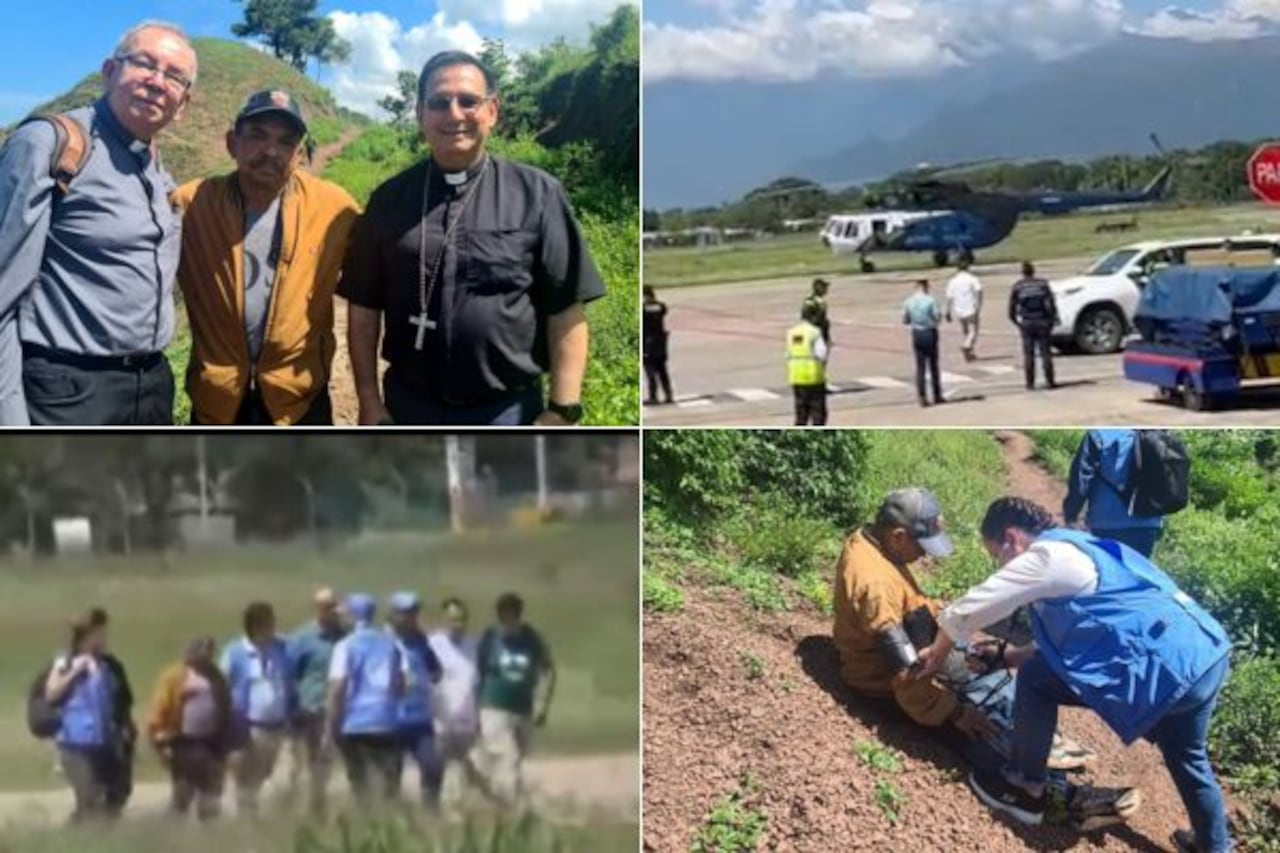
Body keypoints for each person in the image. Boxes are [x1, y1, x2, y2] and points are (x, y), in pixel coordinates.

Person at [916, 497, 1233, 852]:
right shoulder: (1079, 545)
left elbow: (972, 606)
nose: (999, 566)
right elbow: (1086, 633)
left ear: (1011, 538)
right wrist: (1010, 658)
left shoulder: (1045, 556)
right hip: (1205, 653)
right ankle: (1215, 846)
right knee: (1188, 757)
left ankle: (1024, 789)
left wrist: (939, 651)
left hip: (1167, 670)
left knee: (1036, 681)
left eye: (996, 556)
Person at [832, 490, 1128, 830]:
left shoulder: (876, 544)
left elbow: (910, 609)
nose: (924, 558)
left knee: (979, 672)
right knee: (976, 735)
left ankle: (1031, 739)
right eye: (921, 548)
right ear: (899, 536)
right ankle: (1067, 799)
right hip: (882, 682)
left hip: (918, 647)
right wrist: (953, 712)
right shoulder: (874, 586)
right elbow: (907, 676)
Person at [339, 51, 606, 426]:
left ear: (492, 111)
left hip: (507, 412)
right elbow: (364, 308)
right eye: (439, 103)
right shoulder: (388, 200)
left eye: (468, 101)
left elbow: (565, 308)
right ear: (420, 114)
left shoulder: (538, 194)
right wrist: (368, 400)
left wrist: (562, 410)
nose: (454, 114)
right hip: (409, 407)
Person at [0, 21, 197, 425]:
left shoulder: (157, 169)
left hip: (151, 386)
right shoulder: (51, 145)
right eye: (144, 64)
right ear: (109, 71)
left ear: (183, 106)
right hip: (69, 394)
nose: (158, 82)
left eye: (174, 76)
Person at [170, 91, 359, 425]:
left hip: (298, 399)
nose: (271, 151)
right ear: (232, 143)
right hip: (218, 398)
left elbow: (375, 273)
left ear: (299, 154)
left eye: (286, 142)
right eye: (257, 136)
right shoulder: (190, 204)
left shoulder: (335, 208)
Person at [43, 610, 135, 823]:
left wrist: (126, 734)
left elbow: (123, 701)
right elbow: (51, 694)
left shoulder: (111, 665)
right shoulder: (65, 662)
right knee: (89, 798)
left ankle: (96, 839)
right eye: (100, 633)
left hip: (107, 743)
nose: (104, 638)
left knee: (115, 798)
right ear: (87, 635)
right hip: (76, 744)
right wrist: (76, 671)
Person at [475, 593, 556, 810]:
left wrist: (542, 704)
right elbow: (478, 671)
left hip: (522, 708)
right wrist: (475, 704)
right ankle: (510, 807)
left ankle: (490, 794)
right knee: (507, 756)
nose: (509, 622)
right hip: (493, 707)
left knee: (515, 759)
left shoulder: (531, 639)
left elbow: (547, 671)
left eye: (513, 616)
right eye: (504, 617)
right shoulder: (490, 638)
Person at [326, 593, 405, 808]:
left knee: (361, 786)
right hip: (387, 722)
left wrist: (333, 723)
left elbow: (338, 687)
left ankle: (366, 823)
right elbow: (402, 683)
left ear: (353, 616)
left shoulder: (345, 646)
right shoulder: (391, 644)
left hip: (355, 722)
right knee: (390, 785)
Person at [220, 601, 296, 816]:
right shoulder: (235, 652)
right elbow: (223, 685)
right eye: (268, 623)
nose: (273, 627)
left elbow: (290, 680)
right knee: (246, 780)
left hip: (278, 726)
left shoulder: (282, 649)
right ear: (255, 626)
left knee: (269, 776)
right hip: (248, 727)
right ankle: (246, 819)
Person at [146, 636, 233, 822]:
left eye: (209, 651)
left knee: (212, 793)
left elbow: (226, 706)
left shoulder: (216, 676)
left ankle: (209, 836)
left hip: (212, 742)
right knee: (183, 793)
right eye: (201, 650)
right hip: (183, 743)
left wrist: (227, 742)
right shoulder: (174, 676)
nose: (206, 654)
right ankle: (173, 838)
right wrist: (159, 743)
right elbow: (159, 710)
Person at [285, 587, 348, 816]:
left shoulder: (345, 636)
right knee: (308, 764)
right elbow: (290, 675)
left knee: (327, 764)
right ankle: (304, 807)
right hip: (311, 708)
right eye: (330, 608)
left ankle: (319, 806)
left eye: (335, 608)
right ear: (319, 610)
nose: (335, 613)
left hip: (338, 709)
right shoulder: (302, 638)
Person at [1063, 430, 1165, 557]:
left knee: (1107, 572)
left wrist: (1071, 517)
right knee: (1134, 573)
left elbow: (1081, 481)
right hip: (1148, 524)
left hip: (1106, 523)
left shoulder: (1100, 433)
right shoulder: (1159, 433)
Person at [386, 591, 444, 808]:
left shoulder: (421, 641)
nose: (410, 618)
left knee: (433, 766)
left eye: (413, 613)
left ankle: (430, 812)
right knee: (391, 773)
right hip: (392, 718)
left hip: (420, 718)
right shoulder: (383, 640)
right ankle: (388, 816)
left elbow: (436, 672)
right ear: (393, 615)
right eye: (404, 613)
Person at [428, 598, 484, 809]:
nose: (457, 624)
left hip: (468, 720)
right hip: (440, 721)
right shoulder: (432, 645)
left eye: (461, 619)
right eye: (452, 619)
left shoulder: (474, 646)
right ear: (443, 620)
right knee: (443, 769)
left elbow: (478, 683)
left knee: (465, 769)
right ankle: (443, 810)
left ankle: (461, 808)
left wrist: (479, 716)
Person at [1009, 261, 1058, 391]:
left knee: (1028, 354)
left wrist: (1018, 323)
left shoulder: (1018, 287)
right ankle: (1050, 381)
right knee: (1046, 353)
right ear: (1033, 271)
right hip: (1042, 319)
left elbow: (1011, 309)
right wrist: (1052, 319)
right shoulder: (1042, 284)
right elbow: (1051, 304)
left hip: (1027, 321)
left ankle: (1030, 383)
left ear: (1023, 272)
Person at [785, 301, 829, 426]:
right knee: (818, 413)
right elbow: (822, 354)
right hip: (813, 376)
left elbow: (788, 354)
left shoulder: (791, 332)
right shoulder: (814, 332)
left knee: (801, 413)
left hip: (796, 376)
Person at [903, 279, 944, 406]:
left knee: (920, 366)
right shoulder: (930, 300)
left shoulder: (908, 301)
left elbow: (905, 320)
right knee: (933, 365)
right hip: (929, 332)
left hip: (917, 333)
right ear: (925, 287)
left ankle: (921, 396)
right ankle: (936, 394)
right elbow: (937, 316)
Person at [945, 259, 984, 361]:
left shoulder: (953, 281)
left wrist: (948, 311)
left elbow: (949, 296)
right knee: (974, 331)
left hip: (959, 309)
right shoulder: (972, 278)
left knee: (966, 331)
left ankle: (970, 352)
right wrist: (979, 304)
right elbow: (979, 290)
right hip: (971, 307)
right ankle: (966, 345)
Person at [642, 286, 674, 405]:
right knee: (662, 370)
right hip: (660, 343)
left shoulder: (643, 309)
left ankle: (653, 396)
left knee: (650, 371)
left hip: (648, 344)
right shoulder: (661, 306)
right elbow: (663, 310)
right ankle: (668, 394)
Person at [802, 278, 832, 345]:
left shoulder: (811, 299)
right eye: (824, 287)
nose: (826, 289)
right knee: (826, 322)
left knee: (826, 322)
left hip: (811, 327)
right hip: (813, 329)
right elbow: (806, 316)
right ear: (819, 288)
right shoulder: (816, 301)